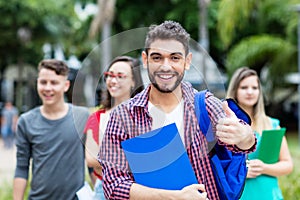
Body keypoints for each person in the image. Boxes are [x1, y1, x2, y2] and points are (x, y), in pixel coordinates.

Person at [98, 20, 256, 200]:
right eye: (157, 57)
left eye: (175, 58)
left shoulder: (205, 105)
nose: (166, 66)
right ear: (145, 60)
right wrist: (174, 196)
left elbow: (242, 144)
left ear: (187, 61)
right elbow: (113, 185)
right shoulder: (123, 116)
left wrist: (245, 136)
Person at [13, 59, 90, 200]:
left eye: (54, 83)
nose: (48, 88)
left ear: (66, 85)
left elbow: (92, 164)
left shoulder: (82, 116)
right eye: (43, 82)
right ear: (37, 83)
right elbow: (21, 167)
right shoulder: (26, 121)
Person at [226, 67, 293, 200]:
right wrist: (240, 173)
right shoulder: (225, 126)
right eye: (244, 87)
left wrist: (264, 168)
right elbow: (213, 166)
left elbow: (287, 164)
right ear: (235, 91)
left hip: (269, 194)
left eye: (254, 88)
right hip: (239, 194)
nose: (250, 92)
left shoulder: (272, 125)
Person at [84, 56, 144, 199]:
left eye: (120, 76)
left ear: (134, 81)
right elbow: (91, 159)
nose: (113, 80)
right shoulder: (96, 117)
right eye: (109, 75)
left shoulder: (145, 114)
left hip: (140, 191)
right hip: (104, 191)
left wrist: (106, 159)